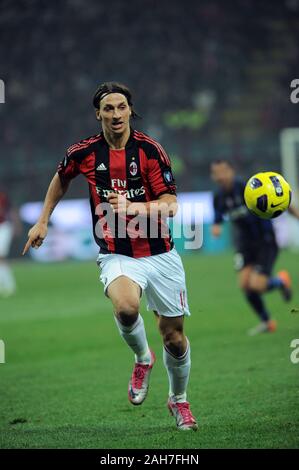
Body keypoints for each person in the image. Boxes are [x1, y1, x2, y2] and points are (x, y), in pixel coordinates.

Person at [23, 82, 198, 431]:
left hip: (160, 253)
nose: (116, 114)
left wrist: (134, 206)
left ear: (130, 110)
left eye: (121, 107)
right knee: (126, 306)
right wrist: (43, 220)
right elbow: (61, 178)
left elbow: (171, 204)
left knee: (174, 338)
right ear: (98, 114)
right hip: (117, 251)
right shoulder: (84, 152)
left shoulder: (150, 151)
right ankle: (141, 358)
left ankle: (178, 401)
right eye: (108, 108)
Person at [210, 159, 299, 336]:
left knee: (257, 285)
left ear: (231, 171)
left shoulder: (248, 188)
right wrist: (216, 226)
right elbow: (218, 218)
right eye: (216, 173)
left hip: (265, 240)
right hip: (244, 243)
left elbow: (280, 200)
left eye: (223, 171)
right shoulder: (218, 197)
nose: (220, 176)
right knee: (245, 284)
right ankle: (267, 322)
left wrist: (296, 214)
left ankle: (280, 281)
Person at [0, 191, 19, 297]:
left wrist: (16, 225)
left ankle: (10, 286)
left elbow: (10, 210)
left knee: (1, 257)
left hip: (3, 227)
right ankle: (5, 285)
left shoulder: (2, 196)